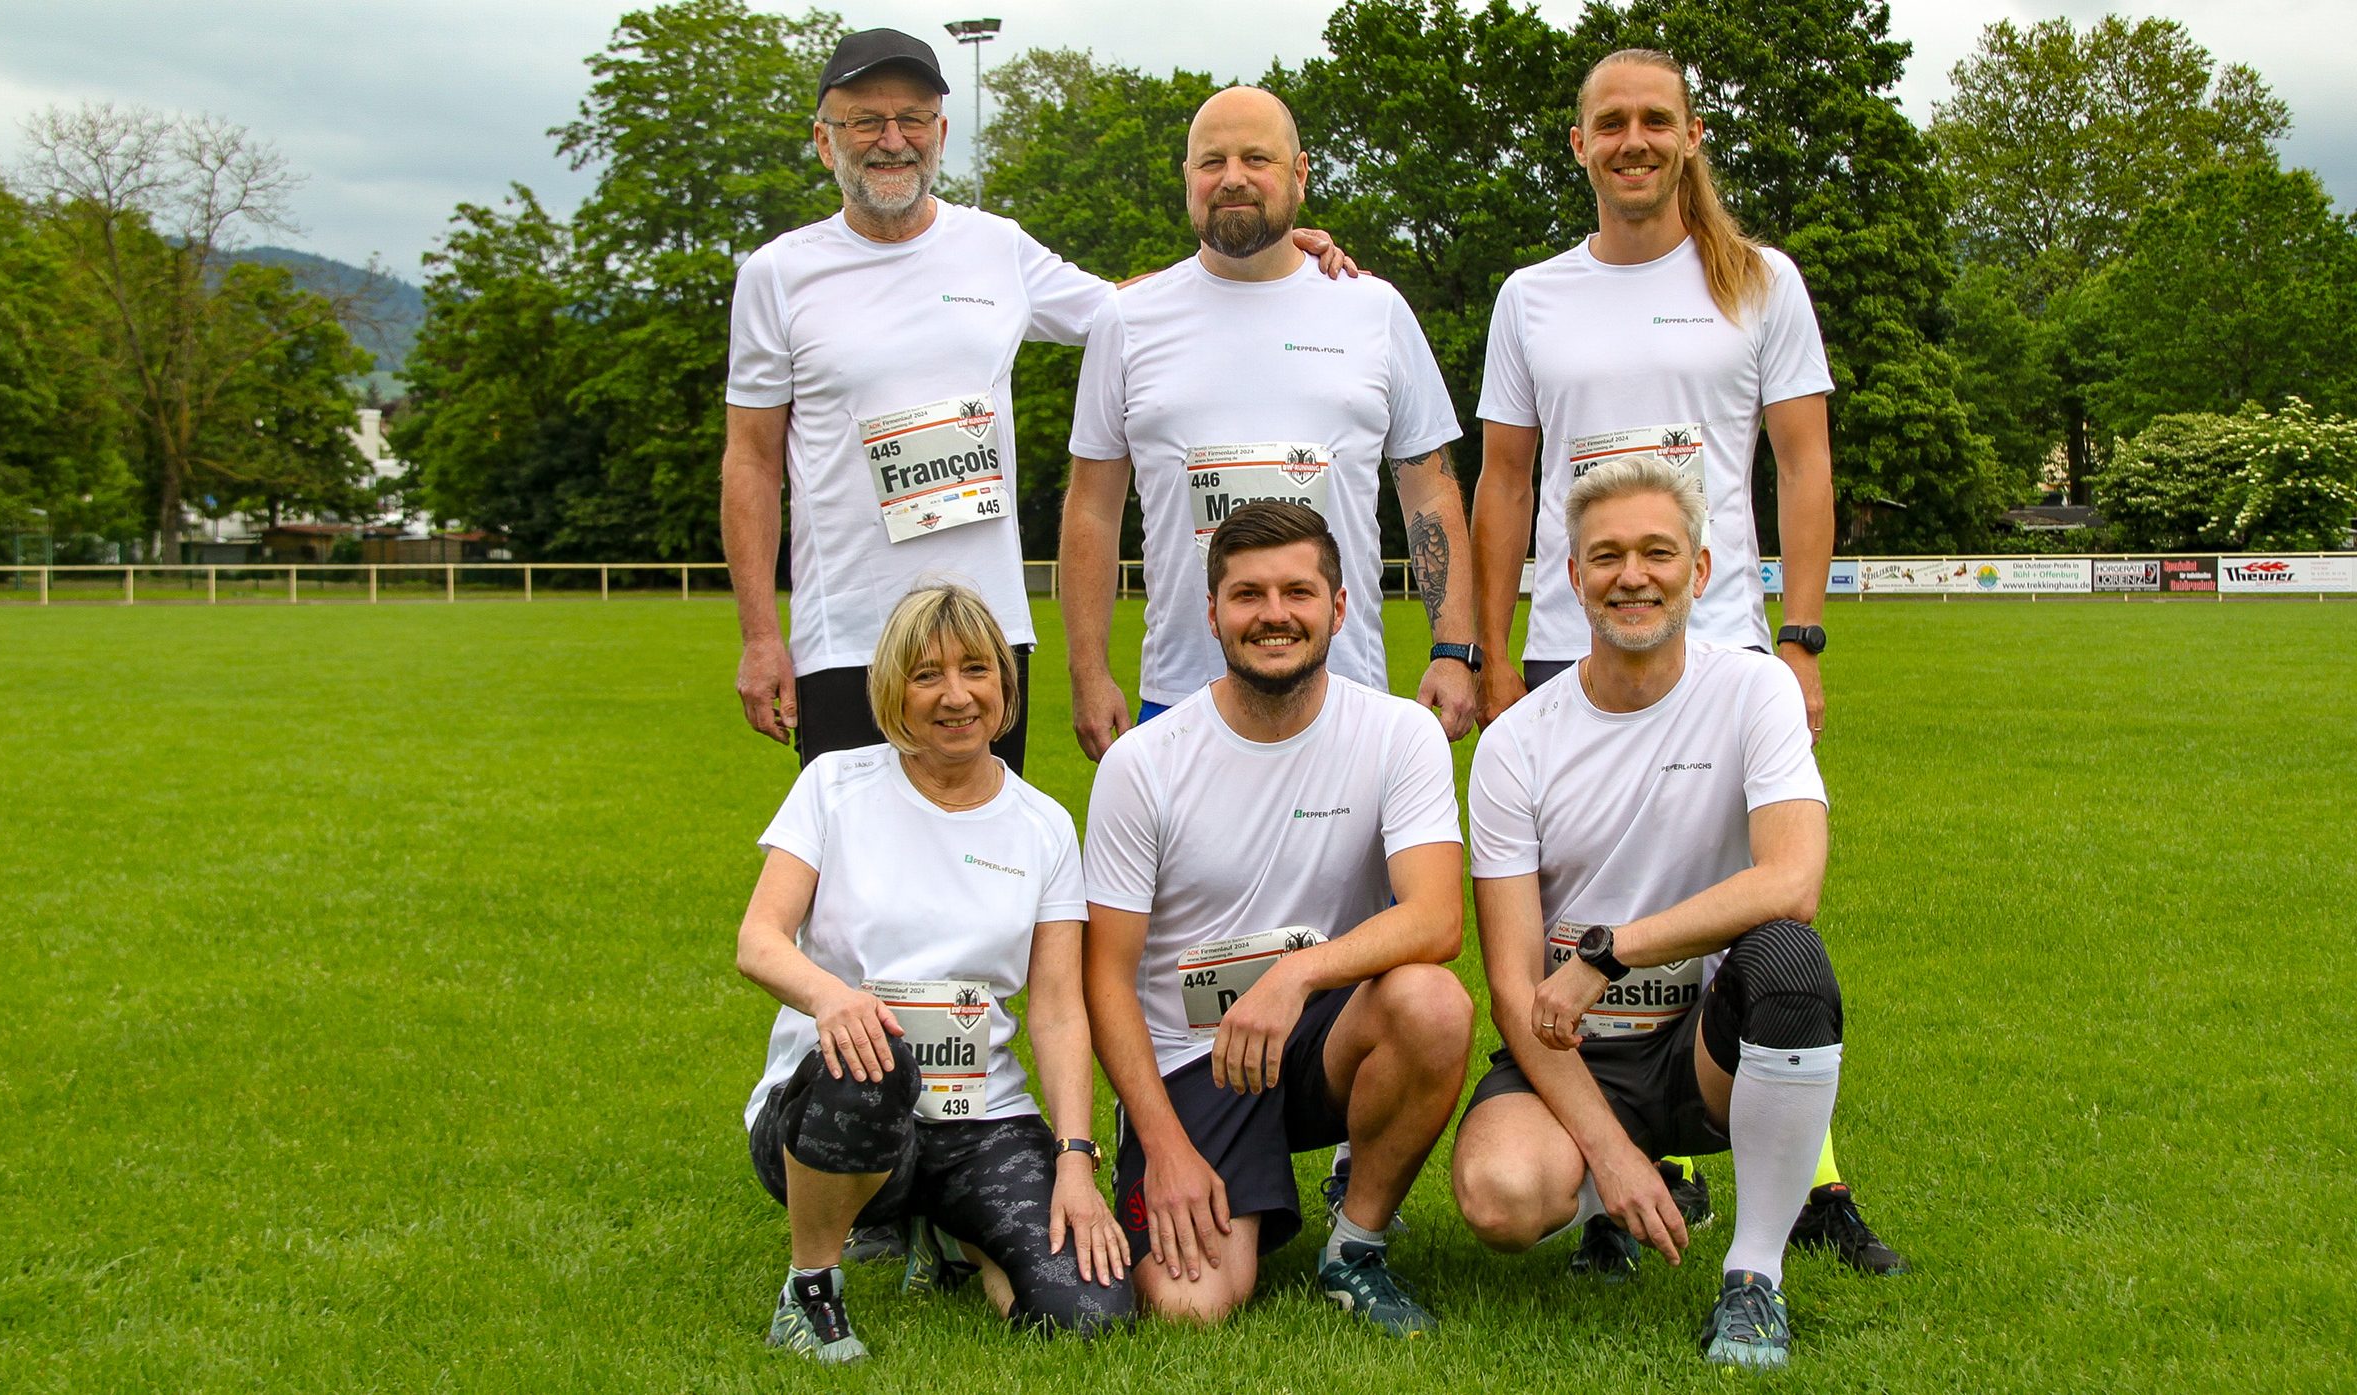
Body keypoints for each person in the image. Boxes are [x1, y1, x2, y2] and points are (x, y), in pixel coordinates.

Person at [1466, 46, 1901, 1275]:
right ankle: (1614, 1170)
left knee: (1752, 926)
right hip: (1567, 650)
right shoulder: (1530, 296)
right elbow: (1504, 480)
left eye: (1655, 119)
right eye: (1610, 123)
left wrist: (1800, 636)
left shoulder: (1758, 281)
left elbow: (1801, 463)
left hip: (1718, 648)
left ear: (1691, 134)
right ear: (1579, 146)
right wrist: (1488, 652)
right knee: (1573, 928)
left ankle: (1803, 1182)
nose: (1633, 140)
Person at [726, 31, 1357, 775]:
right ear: (825, 141)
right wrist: (762, 634)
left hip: (988, 643)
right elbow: (751, 459)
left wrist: (1273, 254)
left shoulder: (996, 247)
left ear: (941, 134)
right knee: (855, 879)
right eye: (865, 120)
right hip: (849, 641)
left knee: (985, 865)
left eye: (914, 119)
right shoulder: (778, 274)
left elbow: (1131, 310)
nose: (892, 140)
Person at [1449, 456, 1853, 1370]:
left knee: (1790, 957)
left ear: (1700, 572)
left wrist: (1611, 950)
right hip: (1567, 1041)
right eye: (1607, 556)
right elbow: (1513, 984)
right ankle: (1603, 1201)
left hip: (1703, 1046)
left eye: (1658, 552)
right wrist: (1612, 1152)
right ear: (1574, 577)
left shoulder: (1754, 691)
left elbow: (1792, 881)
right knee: (1500, 1198)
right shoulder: (1515, 743)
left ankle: (1755, 1279)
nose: (1632, 575)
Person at [1081, 501, 1472, 1334]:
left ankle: (1355, 1245)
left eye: (1298, 591)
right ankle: (1196, 1165)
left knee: (1433, 1002)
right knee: (1192, 1306)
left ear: (1338, 607)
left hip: (1318, 1034)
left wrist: (1294, 975)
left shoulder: (1400, 735)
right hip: (1194, 1056)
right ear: (1214, 612)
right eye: (1248, 594)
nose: (1273, 615)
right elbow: (1105, 976)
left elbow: (1438, 919)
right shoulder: (1142, 765)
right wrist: (1166, 1147)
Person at [735, 582, 1132, 1363]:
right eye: (927, 675)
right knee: (873, 1064)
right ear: (892, 689)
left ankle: (954, 1231)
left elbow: (1056, 1010)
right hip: (837, 1105)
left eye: (976, 669)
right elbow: (759, 939)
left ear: (1004, 683)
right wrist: (832, 997)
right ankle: (810, 1284)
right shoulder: (834, 787)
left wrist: (1075, 1158)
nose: (956, 695)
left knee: (1088, 1308)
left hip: (981, 1120)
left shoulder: (1044, 823)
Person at [1062, 85, 1479, 761]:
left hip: (1348, 696)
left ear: (1300, 174)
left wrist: (1455, 650)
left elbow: (1429, 491)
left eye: (1256, 158)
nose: (1232, 178)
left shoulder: (1372, 309)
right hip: (1181, 700)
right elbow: (1092, 510)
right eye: (1211, 161)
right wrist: (1087, 671)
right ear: (1187, 180)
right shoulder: (1127, 322)